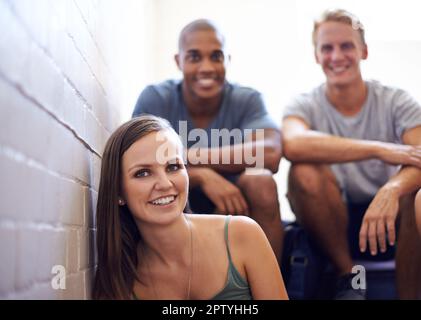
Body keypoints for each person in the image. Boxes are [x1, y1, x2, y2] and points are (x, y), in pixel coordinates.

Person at [282, 9, 421, 299]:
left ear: (364, 51)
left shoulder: (396, 100)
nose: (336, 56)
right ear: (316, 56)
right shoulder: (304, 104)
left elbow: (418, 154)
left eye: (346, 46)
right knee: (303, 171)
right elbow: (292, 144)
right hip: (332, 220)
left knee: (413, 192)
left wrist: (392, 189)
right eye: (327, 48)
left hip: (394, 217)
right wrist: (380, 149)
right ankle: (349, 279)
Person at [132, 19, 284, 262]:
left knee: (261, 180)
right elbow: (138, 161)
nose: (207, 67)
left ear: (227, 60)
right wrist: (201, 175)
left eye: (216, 56)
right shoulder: (156, 98)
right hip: (172, 194)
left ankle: (271, 286)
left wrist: (187, 157)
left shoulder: (248, 99)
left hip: (237, 200)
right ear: (178, 61)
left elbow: (271, 152)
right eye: (194, 57)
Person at [92, 115, 288, 300]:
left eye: (173, 167)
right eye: (143, 173)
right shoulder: (118, 280)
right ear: (118, 192)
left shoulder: (243, 234)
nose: (165, 184)